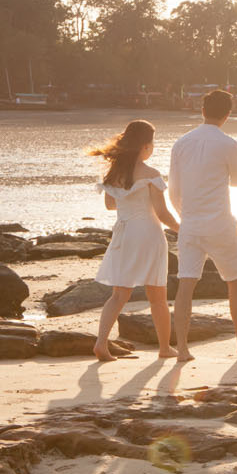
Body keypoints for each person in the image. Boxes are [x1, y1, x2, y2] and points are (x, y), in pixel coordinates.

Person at [168, 89, 237, 360]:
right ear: (228, 114)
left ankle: (183, 348)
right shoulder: (228, 143)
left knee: (186, 285)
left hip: (191, 223)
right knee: (235, 282)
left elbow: (174, 188)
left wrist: (184, 215)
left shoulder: (181, 143)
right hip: (220, 222)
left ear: (202, 110)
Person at [87, 120, 180, 361]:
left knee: (119, 295)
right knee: (157, 297)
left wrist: (129, 199)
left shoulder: (114, 172)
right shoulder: (151, 174)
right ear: (146, 146)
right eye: (152, 144)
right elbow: (162, 213)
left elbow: (110, 205)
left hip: (124, 232)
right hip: (148, 234)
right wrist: (182, 228)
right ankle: (164, 348)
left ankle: (101, 343)